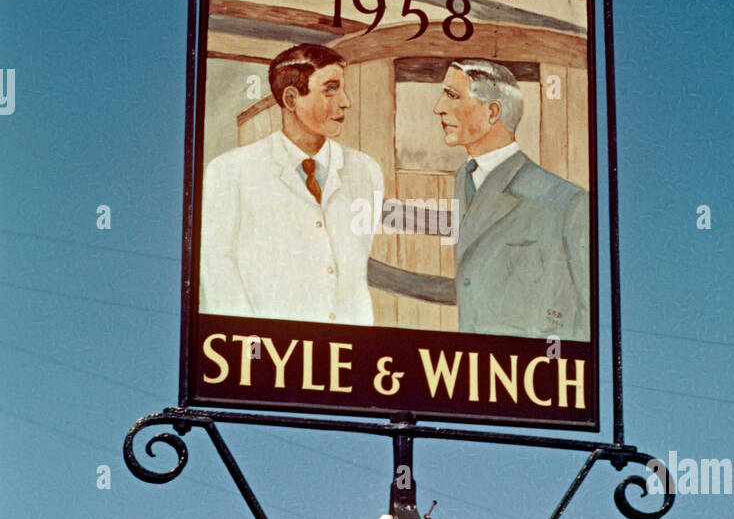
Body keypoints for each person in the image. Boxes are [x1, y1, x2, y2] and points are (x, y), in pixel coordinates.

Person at [370, 59, 589, 340]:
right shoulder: (465, 177)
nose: (439, 108)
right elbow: (474, 278)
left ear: (492, 112)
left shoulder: (568, 203)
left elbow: (587, 314)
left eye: (453, 96)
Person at [200, 42, 384, 324]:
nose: (345, 101)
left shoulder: (366, 172)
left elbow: (354, 272)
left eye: (342, 89)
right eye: (331, 89)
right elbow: (219, 276)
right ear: (290, 99)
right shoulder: (229, 173)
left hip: (348, 350)